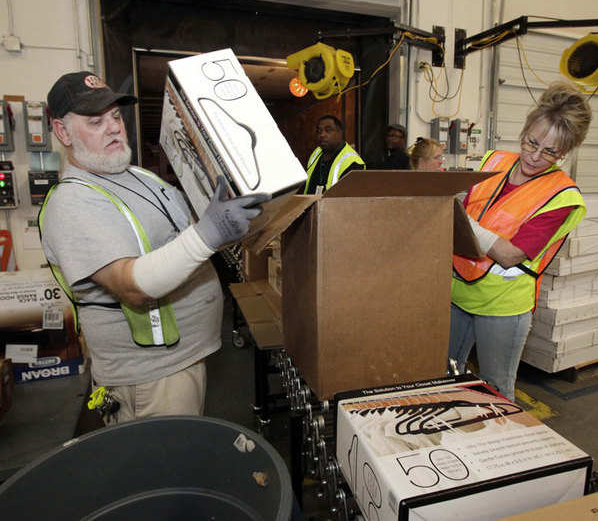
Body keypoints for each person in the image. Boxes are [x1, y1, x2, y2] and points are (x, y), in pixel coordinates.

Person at [39, 71, 268, 424]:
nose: (114, 127)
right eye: (95, 121)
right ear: (62, 132)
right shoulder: (72, 202)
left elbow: (181, 236)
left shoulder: (138, 176)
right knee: (167, 471)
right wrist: (209, 232)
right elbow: (132, 285)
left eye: (115, 116)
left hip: (183, 361)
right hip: (150, 377)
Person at [449, 81, 591, 401]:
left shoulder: (561, 196)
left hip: (503, 306)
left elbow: (510, 255)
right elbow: (469, 202)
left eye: (550, 152)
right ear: (525, 130)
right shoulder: (494, 161)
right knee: (446, 375)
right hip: (459, 290)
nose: (535, 155)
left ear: (564, 153)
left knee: (496, 389)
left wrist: (454, 216)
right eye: (531, 142)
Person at [303, 115, 365, 193]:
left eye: (328, 130)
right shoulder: (316, 153)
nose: (322, 135)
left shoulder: (353, 162)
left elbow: (350, 199)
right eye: (319, 131)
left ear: (340, 133)